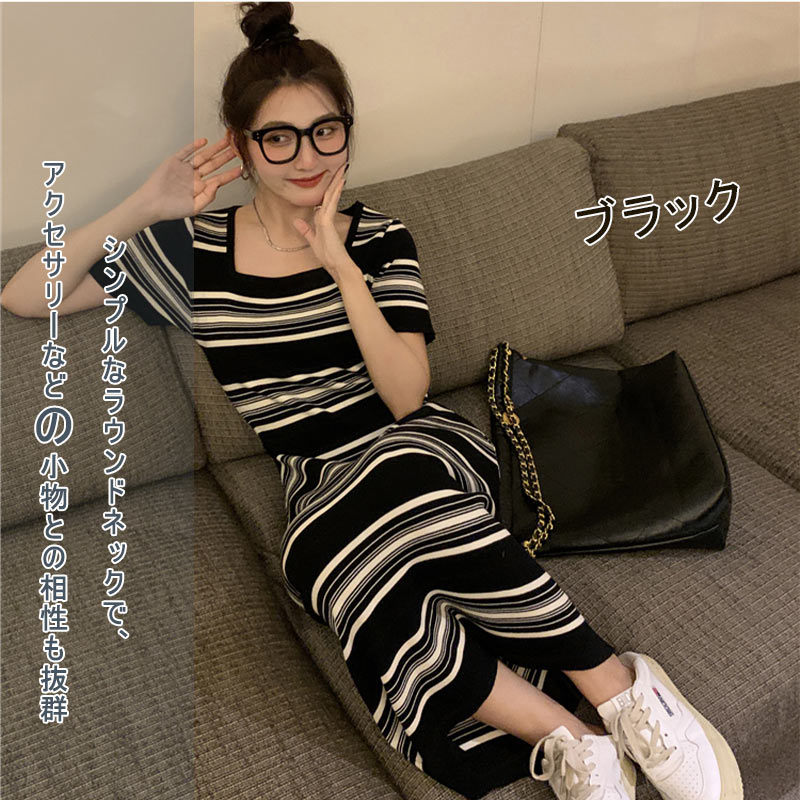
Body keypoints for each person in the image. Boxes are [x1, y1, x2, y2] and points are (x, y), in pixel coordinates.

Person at [1, 4, 743, 800]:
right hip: (316, 480)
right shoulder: (194, 253)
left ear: (348, 133)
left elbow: (404, 393)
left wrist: (341, 267)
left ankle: (617, 687)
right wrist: (145, 206)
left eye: (326, 131)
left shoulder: (380, 237)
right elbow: (26, 295)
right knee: (333, 568)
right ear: (242, 146)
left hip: (417, 446)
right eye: (278, 138)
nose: (307, 156)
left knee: (392, 483)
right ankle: (571, 738)